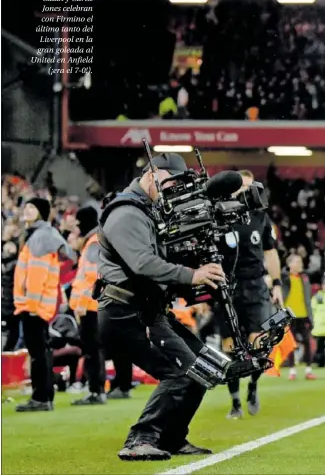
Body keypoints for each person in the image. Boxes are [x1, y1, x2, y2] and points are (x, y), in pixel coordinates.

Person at [97, 152, 226, 461]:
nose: (174, 191)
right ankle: (139, 439)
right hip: (124, 312)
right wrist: (192, 274)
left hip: (146, 310)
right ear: (153, 175)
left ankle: (171, 437)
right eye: (171, 183)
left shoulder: (148, 210)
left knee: (203, 366)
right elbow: (142, 264)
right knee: (180, 372)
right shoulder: (126, 212)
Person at [221, 170, 282, 419]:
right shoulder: (219, 216)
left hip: (255, 285)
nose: (245, 192)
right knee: (230, 348)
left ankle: (253, 386)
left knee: (259, 345)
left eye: (248, 187)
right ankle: (235, 401)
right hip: (227, 289)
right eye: (240, 187)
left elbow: (270, 252)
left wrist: (276, 283)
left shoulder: (260, 216)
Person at [14, 197, 74, 412]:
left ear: (41, 212)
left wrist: (30, 306)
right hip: (38, 305)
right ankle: (44, 396)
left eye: (32, 207)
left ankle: (41, 397)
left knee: (38, 353)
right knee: (42, 352)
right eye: (26, 207)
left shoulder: (39, 237)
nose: (27, 210)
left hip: (34, 306)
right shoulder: (41, 235)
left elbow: (36, 276)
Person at [68, 206, 107, 406]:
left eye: (78, 221)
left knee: (92, 350)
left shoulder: (92, 244)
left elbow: (90, 278)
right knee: (94, 349)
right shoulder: (94, 242)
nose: (76, 226)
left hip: (89, 306)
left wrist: (82, 304)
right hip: (93, 305)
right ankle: (97, 390)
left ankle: (96, 391)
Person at [282, 254, 315, 380]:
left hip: (303, 315)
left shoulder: (304, 278)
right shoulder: (284, 278)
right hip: (290, 316)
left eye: (300, 261)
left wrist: (310, 316)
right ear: (290, 264)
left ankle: (308, 370)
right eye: (297, 262)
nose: (300, 264)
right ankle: (292, 371)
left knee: (307, 342)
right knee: (291, 344)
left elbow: (307, 298)